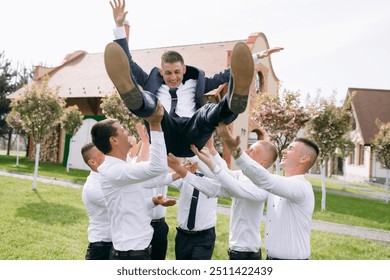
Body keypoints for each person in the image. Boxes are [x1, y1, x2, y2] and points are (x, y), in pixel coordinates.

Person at [105, 0, 283, 157]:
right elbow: (125, 61)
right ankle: (134, 99)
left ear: (183, 69)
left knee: (207, 112)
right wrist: (119, 27)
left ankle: (232, 103)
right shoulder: (151, 80)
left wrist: (253, 58)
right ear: (161, 72)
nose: (173, 77)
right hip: (163, 130)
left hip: (192, 135)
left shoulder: (198, 82)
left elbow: (225, 73)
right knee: (151, 101)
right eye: (168, 73)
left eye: (176, 72)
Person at [216, 123, 319, 260]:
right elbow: (252, 178)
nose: (284, 151)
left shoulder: (301, 187)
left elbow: (264, 179)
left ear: (304, 158)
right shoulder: (277, 186)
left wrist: (234, 149)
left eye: (291, 148)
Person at [170, 135, 277, 260]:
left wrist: (207, 161)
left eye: (252, 151)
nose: (246, 152)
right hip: (234, 252)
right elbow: (218, 179)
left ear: (261, 162)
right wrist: (194, 154)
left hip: (247, 256)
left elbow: (230, 184)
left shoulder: (262, 186)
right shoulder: (241, 175)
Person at [91, 103, 175, 260]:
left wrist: (153, 200)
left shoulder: (122, 167)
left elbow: (130, 204)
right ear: (114, 140)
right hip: (130, 255)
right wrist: (155, 124)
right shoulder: (113, 171)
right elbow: (157, 167)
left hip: (136, 251)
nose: (127, 132)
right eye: (122, 130)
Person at [166, 155, 218, 260]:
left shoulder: (215, 180)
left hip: (204, 237)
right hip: (183, 235)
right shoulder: (185, 175)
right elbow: (166, 177)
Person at [81, 143, 111, 260]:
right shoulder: (92, 187)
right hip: (101, 247)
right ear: (92, 162)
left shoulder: (109, 177)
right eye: (102, 153)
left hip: (115, 244)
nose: (107, 155)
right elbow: (121, 204)